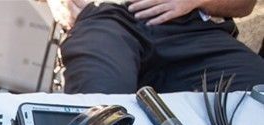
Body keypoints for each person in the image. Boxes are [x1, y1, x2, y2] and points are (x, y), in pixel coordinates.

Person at [47, 0, 264, 93]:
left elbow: (245, 4)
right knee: (103, 107)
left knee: (256, 93)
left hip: (193, 27)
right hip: (109, 18)